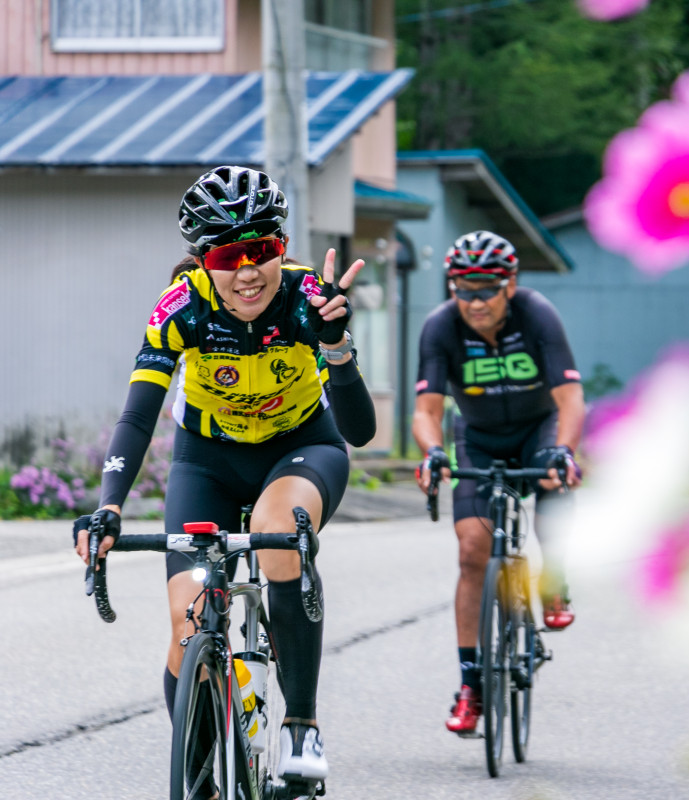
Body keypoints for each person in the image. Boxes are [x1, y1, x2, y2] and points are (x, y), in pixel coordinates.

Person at [72, 165, 375, 783]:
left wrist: (337, 347)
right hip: (206, 460)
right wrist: (109, 505)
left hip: (301, 449)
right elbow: (138, 415)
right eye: (228, 255)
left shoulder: (306, 297)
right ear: (202, 260)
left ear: (280, 248)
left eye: (262, 250)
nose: (247, 272)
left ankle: (301, 728)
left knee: (276, 529)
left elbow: (361, 431)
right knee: (188, 630)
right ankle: (205, 771)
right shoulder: (179, 309)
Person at [412, 230, 584, 735]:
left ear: (509, 284)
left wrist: (565, 451)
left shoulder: (537, 314)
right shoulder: (440, 327)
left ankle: (554, 582)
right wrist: (434, 453)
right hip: (480, 437)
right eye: (464, 288)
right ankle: (471, 684)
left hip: (539, 429)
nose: (476, 300)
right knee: (472, 550)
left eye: (487, 288)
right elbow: (426, 411)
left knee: (555, 479)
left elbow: (571, 399)